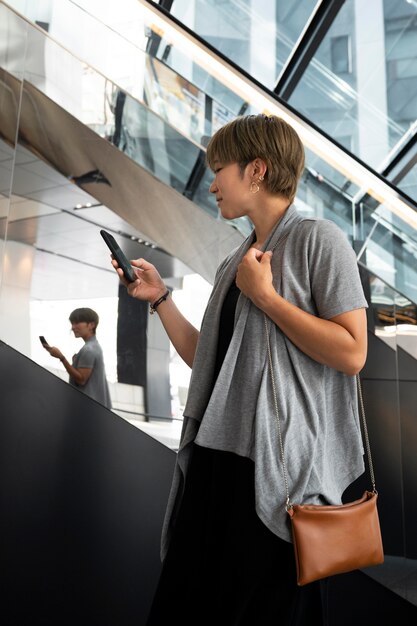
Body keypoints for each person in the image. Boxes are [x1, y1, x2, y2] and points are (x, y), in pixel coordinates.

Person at [111, 114, 368, 625]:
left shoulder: (320, 241)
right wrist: (159, 296)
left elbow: (352, 351)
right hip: (216, 464)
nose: (211, 182)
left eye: (220, 168)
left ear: (257, 170)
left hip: (274, 475)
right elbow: (210, 361)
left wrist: (267, 297)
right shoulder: (236, 260)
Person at [42, 307, 112, 410]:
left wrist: (61, 358)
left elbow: (81, 380)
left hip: (89, 408)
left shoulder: (88, 349)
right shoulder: (94, 346)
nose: (73, 327)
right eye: (72, 323)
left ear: (91, 325)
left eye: (77, 323)